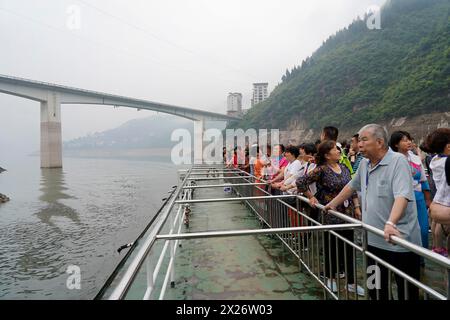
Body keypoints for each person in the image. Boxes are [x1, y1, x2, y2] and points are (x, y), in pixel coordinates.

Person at [325, 124, 421, 300]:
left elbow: (402, 196)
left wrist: (391, 223)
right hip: (373, 243)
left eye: (364, 139)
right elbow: (351, 186)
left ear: (379, 142)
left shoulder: (398, 161)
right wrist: (331, 204)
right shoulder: (364, 164)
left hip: (399, 242)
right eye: (359, 140)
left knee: (407, 292)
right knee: (376, 290)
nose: (359, 144)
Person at [296, 140, 363, 295]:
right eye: (335, 149)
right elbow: (301, 182)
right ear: (327, 155)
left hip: (347, 213)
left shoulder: (345, 168)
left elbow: (351, 188)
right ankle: (330, 278)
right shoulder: (321, 170)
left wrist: (357, 207)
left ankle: (351, 282)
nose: (339, 151)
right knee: (331, 247)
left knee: (349, 247)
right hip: (330, 214)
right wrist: (311, 197)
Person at [389, 131, 432, 251]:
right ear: (396, 144)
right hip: (398, 198)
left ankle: (421, 258)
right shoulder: (391, 159)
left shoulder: (415, 159)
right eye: (404, 140)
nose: (409, 142)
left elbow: (423, 180)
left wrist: (428, 200)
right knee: (403, 230)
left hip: (417, 198)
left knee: (423, 230)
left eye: (409, 139)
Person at [426, 128, 450, 254]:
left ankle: (437, 248)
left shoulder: (434, 160)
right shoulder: (446, 161)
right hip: (446, 202)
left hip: (437, 200)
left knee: (436, 224)